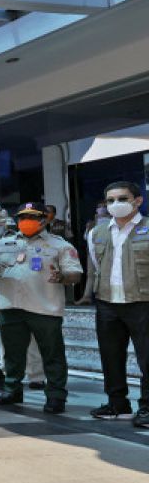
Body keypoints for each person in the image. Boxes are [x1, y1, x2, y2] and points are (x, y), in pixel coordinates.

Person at [0, 202, 83, 414]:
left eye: (31, 217)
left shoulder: (60, 245)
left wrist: (63, 277)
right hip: (10, 306)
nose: (25, 222)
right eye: (22, 217)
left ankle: (56, 396)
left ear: (43, 219)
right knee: (12, 355)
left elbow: (75, 273)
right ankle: (12, 390)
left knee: (53, 355)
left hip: (45, 308)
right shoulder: (2, 244)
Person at [80, 182, 149, 428]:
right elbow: (96, 269)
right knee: (111, 357)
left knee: (147, 359)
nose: (115, 204)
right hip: (108, 303)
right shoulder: (97, 233)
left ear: (137, 201)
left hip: (143, 302)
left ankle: (147, 407)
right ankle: (117, 404)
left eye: (122, 198)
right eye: (110, 200)